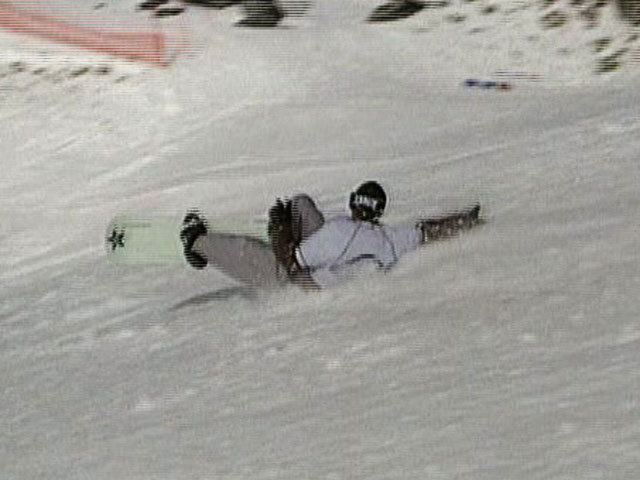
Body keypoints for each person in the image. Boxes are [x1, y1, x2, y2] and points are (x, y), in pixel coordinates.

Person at [180, 181, 480, 290]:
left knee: (252, 253)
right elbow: (427, 231)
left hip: (299, 282)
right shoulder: (389, 237)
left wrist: (279, 229)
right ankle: (288, 223)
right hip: (329, 265)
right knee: (301, 204)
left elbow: (291, 263)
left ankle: (195, 243)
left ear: (353, 203)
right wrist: (465, 221)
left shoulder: (339, 232)